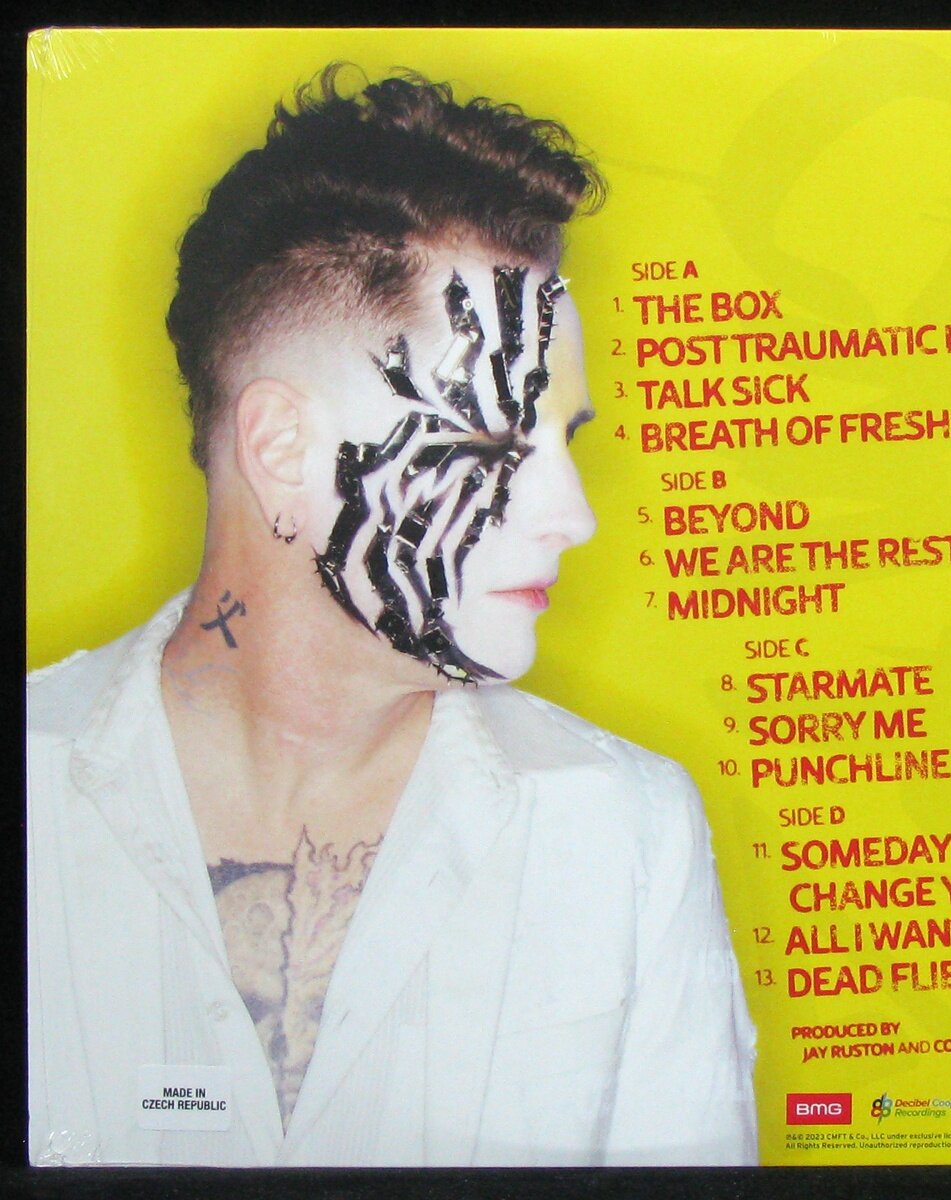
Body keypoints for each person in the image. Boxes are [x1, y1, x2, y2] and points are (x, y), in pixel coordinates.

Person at [26, 65, 757, 1168]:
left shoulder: (623, 835)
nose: (575, 516)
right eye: (498, 442)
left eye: (564, 443)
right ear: (284, 449)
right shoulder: (33, 789)